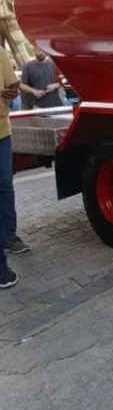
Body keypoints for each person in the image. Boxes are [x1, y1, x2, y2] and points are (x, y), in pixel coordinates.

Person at [1, 49, 21, 289]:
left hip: (2, 132)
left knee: (5, 185)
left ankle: (8, 236)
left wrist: (11, 91)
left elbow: (12, 86)